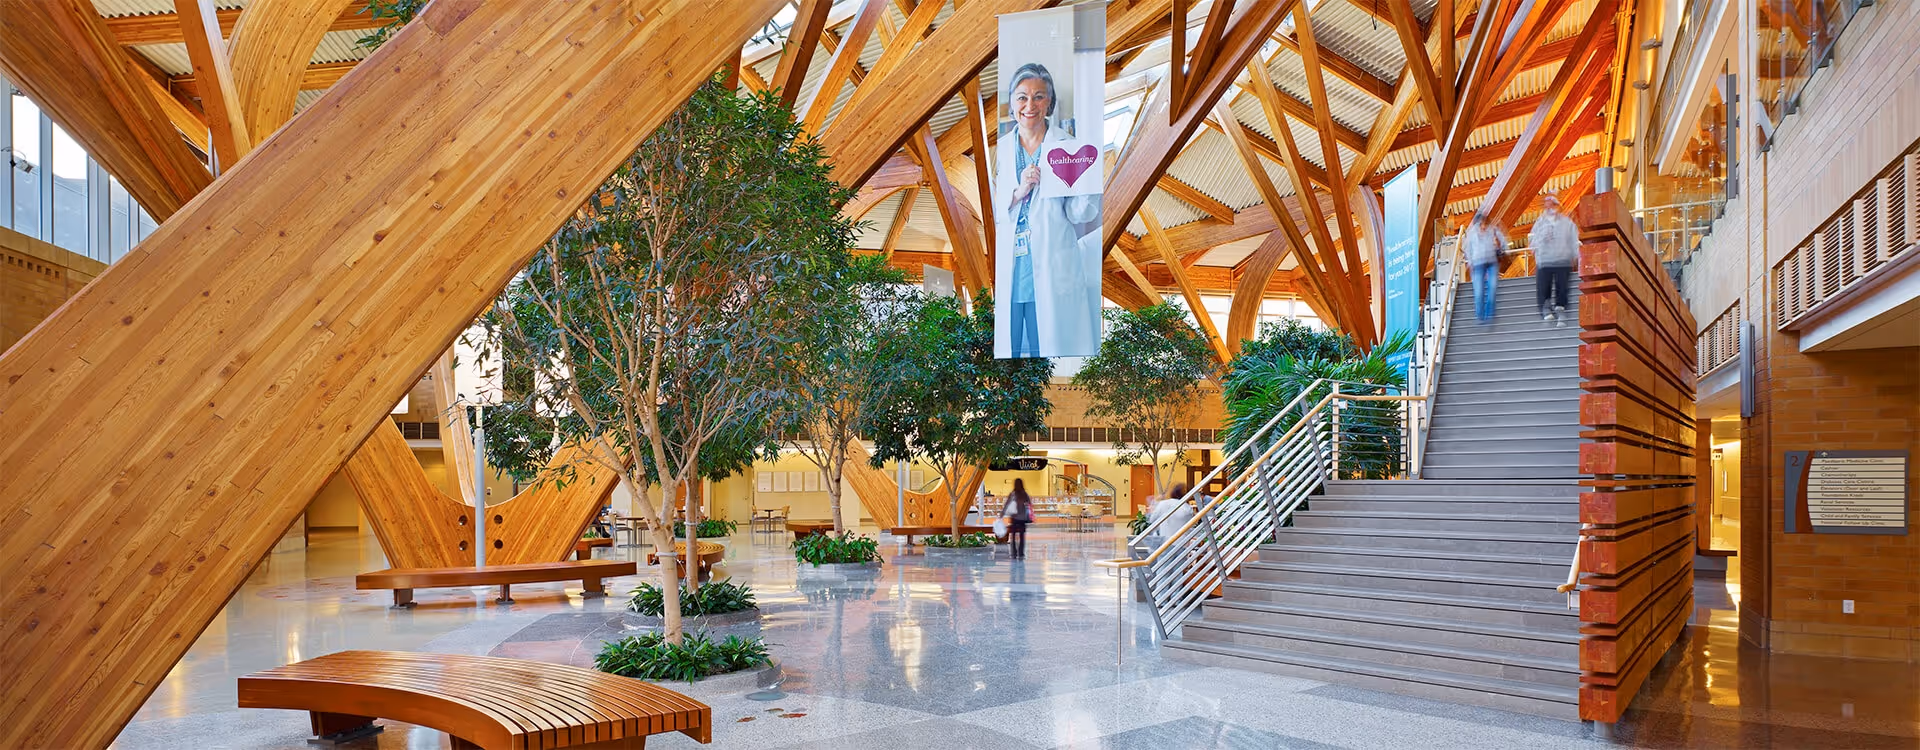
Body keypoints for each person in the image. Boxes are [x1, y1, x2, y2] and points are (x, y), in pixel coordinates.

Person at [994, 62, 1100, 358]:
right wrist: (1019, 192)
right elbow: (991, 209)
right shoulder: (1000, 150)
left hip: (1053, 264)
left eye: (1039, 97)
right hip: (1013, 268)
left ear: (1049, 102)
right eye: (1022, 97)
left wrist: (1087, 180)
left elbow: (1081, 214)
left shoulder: (1067, 147)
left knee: (1048, 358)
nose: (1030, 105)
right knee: (1010, 357)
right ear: (1012, 102)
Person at [1530, 194, 1580, 326]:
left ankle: (1561, 310)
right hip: (1545, 260)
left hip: (1562, 259)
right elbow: (1533, 238)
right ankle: (1546, 310)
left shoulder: (1567, 223)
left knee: (1562, 288)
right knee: (1543, 288)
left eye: (1551, 204)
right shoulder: (1540, 223)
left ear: (1557, 206)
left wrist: (1575, 255)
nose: (1549, 207)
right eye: (1546, 205)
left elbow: (1574, 239)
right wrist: (1535, 246)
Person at [1463, 210, 1506, 323]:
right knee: (1479, 291)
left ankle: (1490, 315)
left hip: (1491, 262)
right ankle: (1480, 315)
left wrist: (1502, 249)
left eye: (1484, 223)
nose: (1483, 226)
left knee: (1492, 288)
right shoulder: (1472, 234)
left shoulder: (1493, 230)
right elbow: (1467, 249)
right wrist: (1470, 262)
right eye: (1481, 224)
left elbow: (1503, 241)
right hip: (1477, 264)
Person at [1003, 479, 1036, 559]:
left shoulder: (1013, 494)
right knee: (1022, 536)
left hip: (1014, 518)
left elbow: (1007, 504)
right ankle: (1021, 553)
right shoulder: (1024, 494)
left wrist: (1002, 514)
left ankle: (1014, 553)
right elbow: (1030, 504)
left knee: (1013, 536)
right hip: (1022, 518)